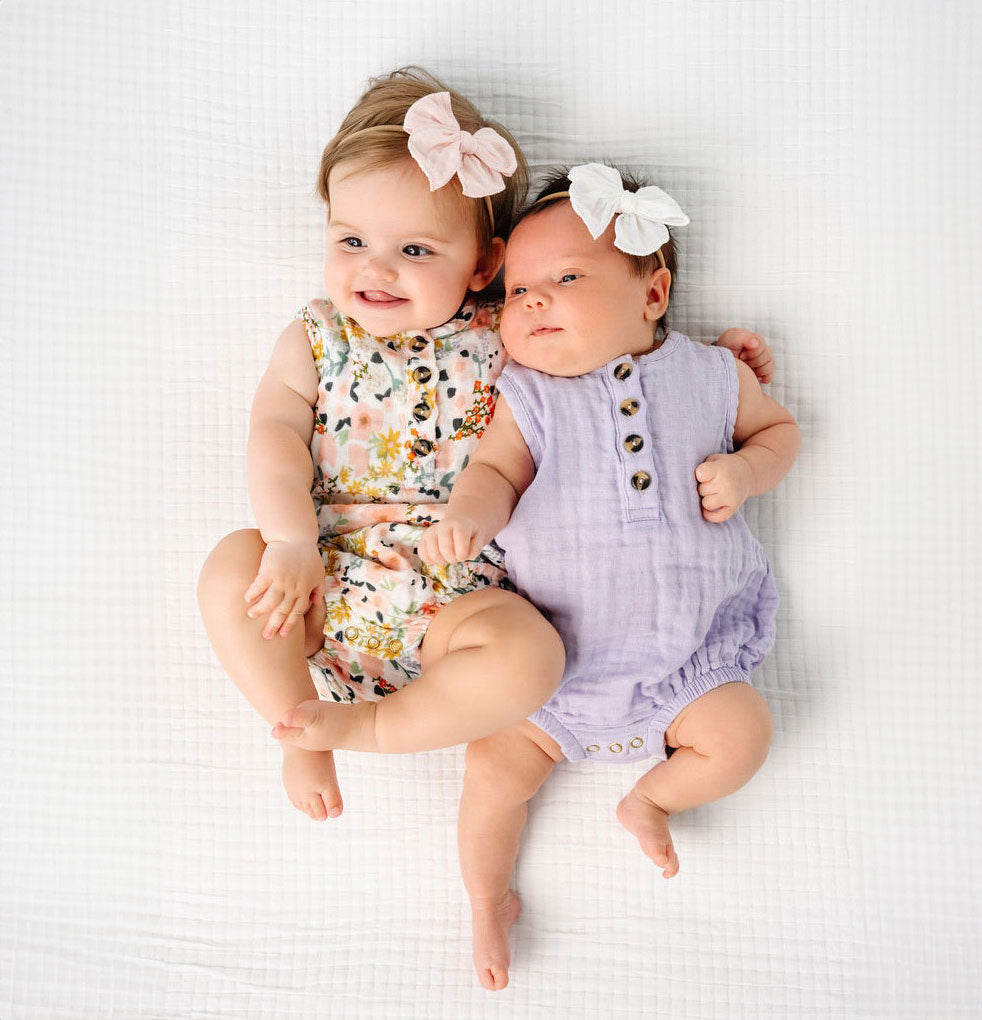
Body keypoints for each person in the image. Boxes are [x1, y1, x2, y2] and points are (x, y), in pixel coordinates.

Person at [197, 66, 773, 824]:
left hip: (458, 611)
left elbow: (604, 347)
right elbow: (273, 436)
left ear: (484, 266)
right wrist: (289, 541)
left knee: (534, 657)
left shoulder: (511, 331)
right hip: (315, 582)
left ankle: (364, 728)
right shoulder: (316, 338)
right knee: (230, 566)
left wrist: (706, 366)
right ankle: (296, 724)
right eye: (351, 240)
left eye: (415, 250)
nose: (375, 267)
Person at [418, 163, 800, 991]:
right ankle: (486, 898)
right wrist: (471, 516)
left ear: (653, 294)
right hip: (552, 674)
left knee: (743, 735)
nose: (533, 303)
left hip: (688, 668)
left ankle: (653, 798)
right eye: (518, 290)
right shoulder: (528, 397)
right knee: (493, 774)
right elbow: (493, 473)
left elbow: (779, 434)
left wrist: (746, 473)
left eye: (565, 278)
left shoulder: (712, 374)